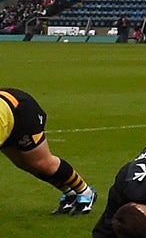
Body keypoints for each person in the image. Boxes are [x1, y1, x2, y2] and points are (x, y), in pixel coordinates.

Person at [0, 87, 93, 215]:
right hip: (6, 119)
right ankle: (69, 193)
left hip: (21, 112)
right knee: (23, 164)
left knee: (42, 163)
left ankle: (86, 192)